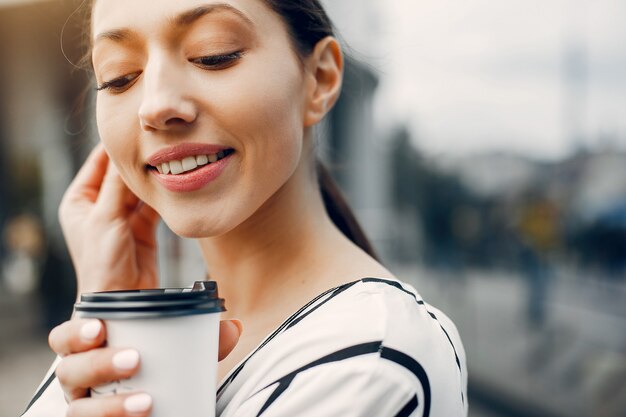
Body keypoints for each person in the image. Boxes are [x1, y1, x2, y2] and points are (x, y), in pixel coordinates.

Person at [22, 0, 468, 416]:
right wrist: (110, 312)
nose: (155, 106)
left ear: (320, 79)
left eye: (214, 53)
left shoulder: (371, 359)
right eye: (119, 77)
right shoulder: (142, 326)